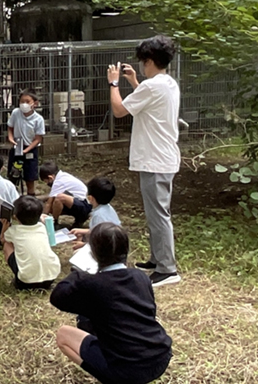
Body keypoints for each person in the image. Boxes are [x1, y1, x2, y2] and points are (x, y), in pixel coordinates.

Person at [50, 223, 173, 384]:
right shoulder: (141, 277)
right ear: (126, 249)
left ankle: (116, 383)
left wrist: (78, 274)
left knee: (64, 335)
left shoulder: (92, 285)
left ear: (93, 253)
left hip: (126, 366)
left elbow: (57, 297)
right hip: (160, 358)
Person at [107, 35, 181, 287]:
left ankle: (167, 269)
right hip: (161, 157)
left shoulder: (154, 86)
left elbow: (119, 110)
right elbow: (147, 101)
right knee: (156, 213)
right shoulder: (166, 83)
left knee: (159, 215)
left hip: (155, 160)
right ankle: (158, 258)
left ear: (148, 60)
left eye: (142, 61)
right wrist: (134, 82)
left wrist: (114, 84)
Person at [0, 195, 61, 291]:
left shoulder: (14, 230)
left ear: (15, 216)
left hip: (25, 282)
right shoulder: (42, 227)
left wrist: (5, 225)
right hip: (51, 277)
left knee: (7, 244)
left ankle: (18, 280)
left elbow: (3, 239)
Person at [7, 89, 45, 196]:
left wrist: (26, 150)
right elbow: (10, 127)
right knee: (13, 174)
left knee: (30, 175)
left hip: (30, 149)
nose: (24, 104)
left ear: (35, 103)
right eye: (22, 101)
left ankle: (30, 196)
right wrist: (11, 139)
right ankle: (12, 196)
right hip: (17, 147)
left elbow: (38, 138)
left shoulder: (39, 119)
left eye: (27, 102)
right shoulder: (16, 113)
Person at [69, 177, 121, 247]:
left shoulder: (98, 215)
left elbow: (102, 241)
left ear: (91, 198)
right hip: (114, 243)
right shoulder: (107, 208)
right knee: (80, 236)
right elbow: (97, 231)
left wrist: (83, 245)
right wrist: (80, 231)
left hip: (108, 248)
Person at [39, 162, 91, 229]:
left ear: (50, 178)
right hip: (78, 202)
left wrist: (44, 217)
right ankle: (78, 220)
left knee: (59, 198)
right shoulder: (62, 176)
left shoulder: (59, 182)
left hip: (84, 206)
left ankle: (55, 222)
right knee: (54, 204)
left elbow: (49, 203)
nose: (47, 184)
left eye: (46, 181)